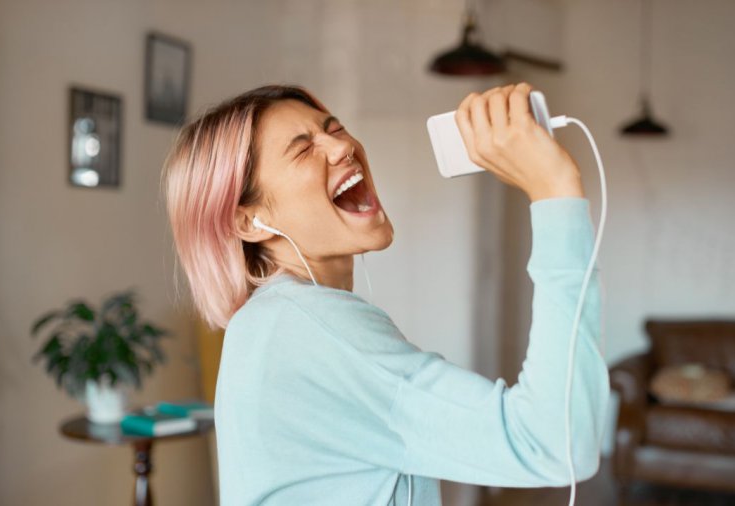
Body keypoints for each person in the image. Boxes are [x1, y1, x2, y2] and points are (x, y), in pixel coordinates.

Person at [162, 82, 608, 505]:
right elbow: (556, 442)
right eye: (303, 149)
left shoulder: (269, 322)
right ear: (248, 221)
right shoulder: (308, 327)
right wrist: (555, 191)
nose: (342, 146)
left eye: (333, 128)